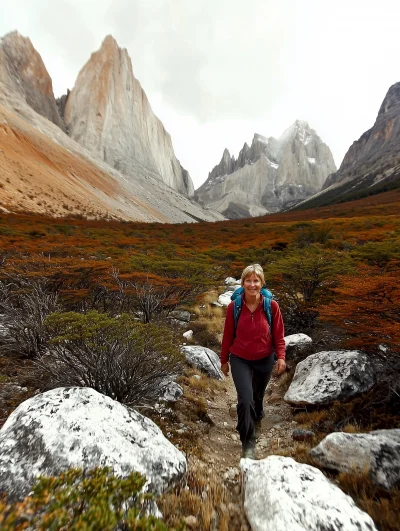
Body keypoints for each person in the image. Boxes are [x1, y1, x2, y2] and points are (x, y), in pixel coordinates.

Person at [220, 264, 286, 459]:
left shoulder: (271, 306)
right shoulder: (235, 306)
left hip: (265, 359)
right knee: (245, 399)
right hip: (240, 359)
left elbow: (278, 334)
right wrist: (224, 360)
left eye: (256, 280)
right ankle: (247, 444)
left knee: (257, 397)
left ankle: (257, 418)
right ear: (242, 283)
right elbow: (227, 335)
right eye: (248, 280)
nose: (252, 284)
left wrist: (281, 357)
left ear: (262, 283)